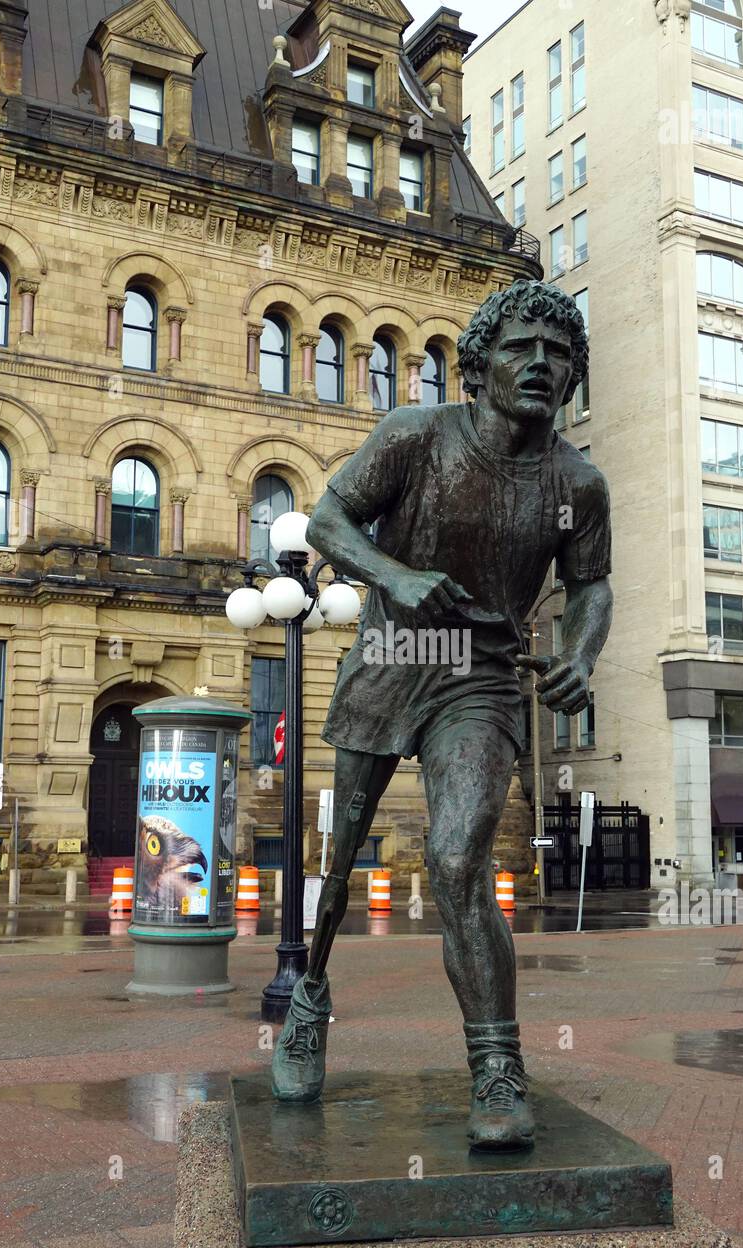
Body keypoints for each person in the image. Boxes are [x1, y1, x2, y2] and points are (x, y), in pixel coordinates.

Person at [271, 279, 613, 1150]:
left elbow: (591, 586)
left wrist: (578, 656)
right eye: (520, 349)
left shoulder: (578, 483)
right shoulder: (414, 438)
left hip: (482, 680)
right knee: (342, 866)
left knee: (460, 857)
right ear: (477, 366)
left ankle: (497, 1068)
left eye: (558, 353)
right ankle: (310, 997)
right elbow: (326, 518)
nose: (541, 364)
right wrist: (393, 577)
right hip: (391, 659)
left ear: (573, 375)